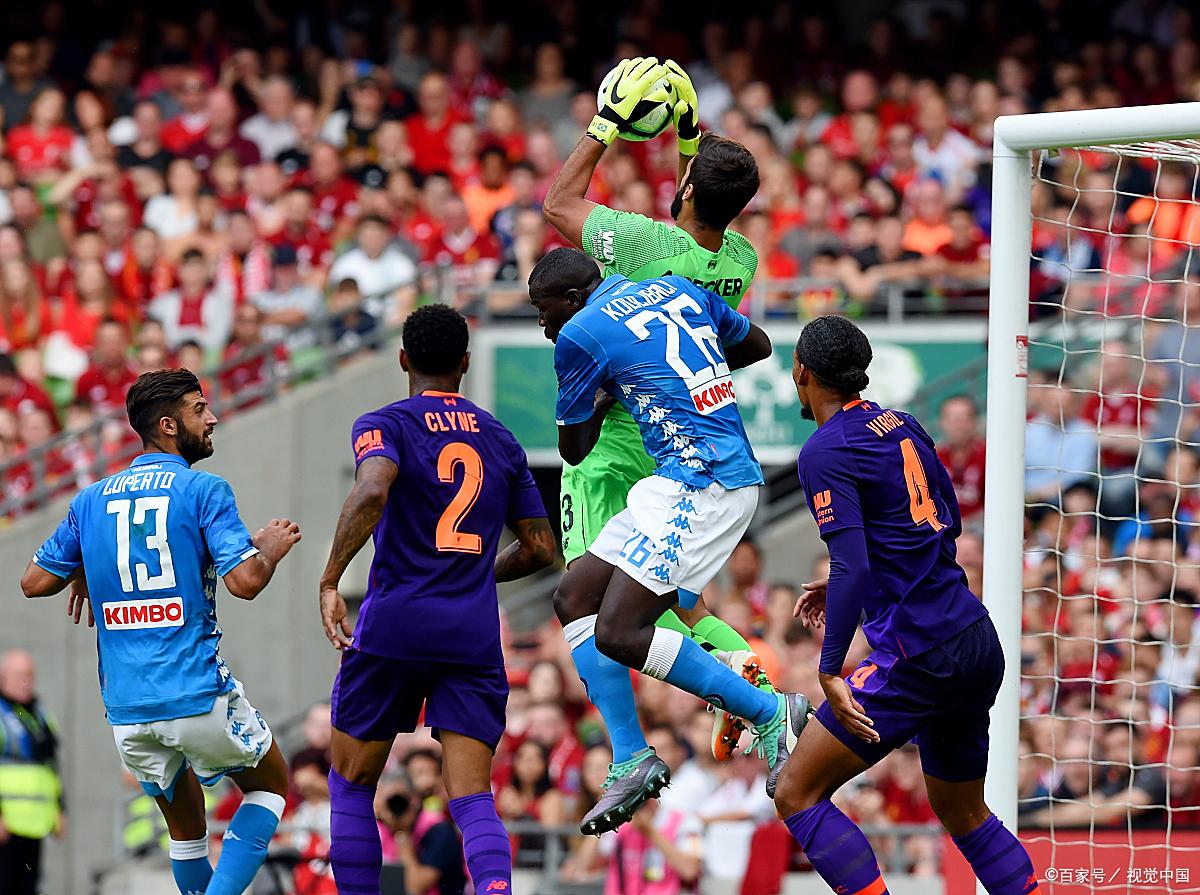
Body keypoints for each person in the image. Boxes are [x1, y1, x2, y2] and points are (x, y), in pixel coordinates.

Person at [541, 57, 777, 778]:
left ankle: (628, 750)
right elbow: (698, 202)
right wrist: (686, 129)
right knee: (666, 590)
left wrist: (608, 123)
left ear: (682, 190)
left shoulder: (645, 246)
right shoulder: (737, 256)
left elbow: (559, 204)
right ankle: (734, 659)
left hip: (619, 436)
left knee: (585, 598)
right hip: (681, 437)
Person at [528, 247, 810, 836]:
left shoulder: (580, 335)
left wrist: (609, 392)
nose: (542, 323)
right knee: (573, 597)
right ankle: (631, 757)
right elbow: (756, 344)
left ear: (573, 300)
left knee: (620, 631)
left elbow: (574, 450)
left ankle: (771, 713)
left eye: (543, 308)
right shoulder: (676, 287)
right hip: (675, 478)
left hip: (705, 482)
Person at [776, 315, 1041, 895]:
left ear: (802, 372)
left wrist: (828, 667)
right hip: (972, 637)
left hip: (918, 653)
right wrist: (862, 586)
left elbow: (852, 564)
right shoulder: (903, 424)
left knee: (795, 791)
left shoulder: (824, 449)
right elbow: (943, 522)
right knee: (965, 815)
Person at [20, 368, 302, 895]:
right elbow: (244, 583)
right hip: (195, 694)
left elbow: (34, 582)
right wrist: (270, 549)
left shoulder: (91, 500)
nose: (212, 418)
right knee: (270, 789)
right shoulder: (203, 489)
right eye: (200, 409)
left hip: (128, 712)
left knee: (188, 833)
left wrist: (82, 568)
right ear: (169, 425)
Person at [316, 304, 555, 895]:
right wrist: (476, 573)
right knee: (473, 795)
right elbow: (542, 548)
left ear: (403, 360)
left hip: (396, 623)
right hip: (471, 633)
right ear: (466, 364)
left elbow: (373, 487)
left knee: (351, 781)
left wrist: (330, 578)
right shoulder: (500, 439)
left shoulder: (385, 424)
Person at [0, 650, 63, 895]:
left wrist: (60, 807)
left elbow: (51, 764)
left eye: (30, 675)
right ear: (4, 677)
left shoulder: (40, 714)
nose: (26, 682)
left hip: (36, 823)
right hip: (6, 825)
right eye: (19, 675)